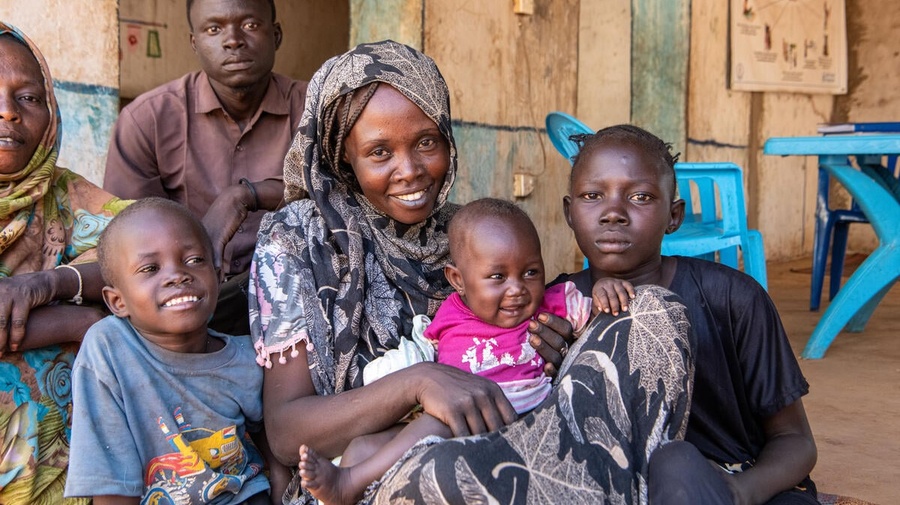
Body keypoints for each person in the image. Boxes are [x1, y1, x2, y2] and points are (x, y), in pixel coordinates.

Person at [252, 39, 694, 505]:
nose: (410, 171)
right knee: (443, 474)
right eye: (380, 152)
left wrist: (555, 347)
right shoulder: (297, 241)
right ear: (344, 154)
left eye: (427, 142)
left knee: (654, 312)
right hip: (378, 474)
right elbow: (286, 433)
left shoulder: (469, 233)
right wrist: (419, 382)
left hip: (512, 440)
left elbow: (534, 325)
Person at [558, 124, 818, 504]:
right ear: (570, 212)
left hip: (738, 479)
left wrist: (739, 491)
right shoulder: (551, 309)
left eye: (641, 197)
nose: (613, 213)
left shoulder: (732, 297)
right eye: (592, 195)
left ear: (674, 215)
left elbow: (794, 440)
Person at [295, 197, 595, 504]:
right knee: (362, 446)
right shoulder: (451, 314)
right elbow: (426, 350)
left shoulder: (549, 305)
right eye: (498, 277)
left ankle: (348, 483)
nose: (517, 288)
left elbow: (592, 308)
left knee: (435, 422)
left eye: (531, 272)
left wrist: (607, 288)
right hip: (450, 417)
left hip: (509, 417)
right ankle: (349, 485)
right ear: (458, 280)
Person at [103, 0, 308, 335]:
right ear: (194, 43)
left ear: (276, 35)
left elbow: (344, 196)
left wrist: (244, 196)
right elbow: (127, 236)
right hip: (186, 303)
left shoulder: (315, 112)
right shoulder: (147, 120)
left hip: (296, 294)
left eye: (250, 25)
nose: (233, 40)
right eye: (214, 29)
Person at [65, 198, 285, 504]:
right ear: (118, 301)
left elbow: (275, 449)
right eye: (150, 268)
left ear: (217, 273)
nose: (178, 275)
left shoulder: (249, 357)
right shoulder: (109, 348)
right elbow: (111, 485)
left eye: (194, 260)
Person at [0, 23, 131, 505]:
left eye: (28, 98)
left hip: (68, 473)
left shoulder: (67, 196)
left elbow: (146, 257)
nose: (8, 111)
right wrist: (76, 321)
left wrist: (48, 283)